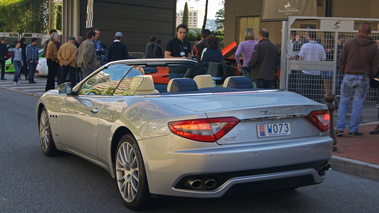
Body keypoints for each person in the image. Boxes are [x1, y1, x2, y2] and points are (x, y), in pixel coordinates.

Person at [336, 22, 379, 137]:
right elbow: (375, 64)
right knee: (358, 103)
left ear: (358, 31)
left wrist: (344, 71)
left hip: (349, 74)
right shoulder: (373, 46)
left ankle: (340, 128)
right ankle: (353, 129)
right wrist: (371, 75)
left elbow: (342, 59)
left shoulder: (349, 43)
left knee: (344, 101)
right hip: (363, 76)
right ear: (370, 32)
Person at [298, 31, 326, 102]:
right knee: (315, 93)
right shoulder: (320, 47)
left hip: (306, 72)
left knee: (305, 92)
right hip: (316, 73)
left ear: (308, 36)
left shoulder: (304, 46)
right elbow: (324, 60)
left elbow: (300, 58)